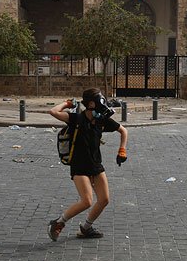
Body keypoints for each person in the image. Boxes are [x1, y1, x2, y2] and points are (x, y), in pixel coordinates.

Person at [47, 88, 128, 241]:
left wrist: (122, 151)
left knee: (104, 199)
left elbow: (123, 131)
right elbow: (53, 111)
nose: (103, 103)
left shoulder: (102, 119)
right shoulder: (76, 119)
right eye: (99, 100)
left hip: (96, 164)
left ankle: (86, 228)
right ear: (91, 103)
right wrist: (67, 103)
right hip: (79, 166)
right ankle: (58, 223)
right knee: (87, 201)